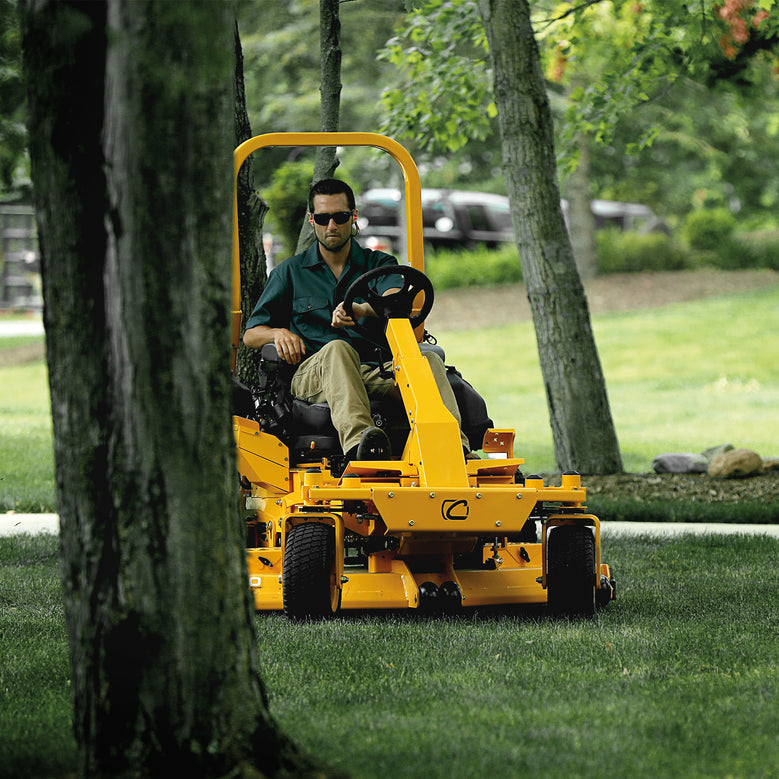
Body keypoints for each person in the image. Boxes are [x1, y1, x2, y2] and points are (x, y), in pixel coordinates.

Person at [243, 178, 471, 463]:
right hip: (316, 375)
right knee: (338, 348)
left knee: (429, 361)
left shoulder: (379, 265)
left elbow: (395, 299)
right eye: (324, 218)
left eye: (339, 217)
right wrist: (276, 333)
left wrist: (363, 309)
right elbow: (250, 335)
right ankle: (362, 448)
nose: (331, 226)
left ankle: (455, 451)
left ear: (353, 217)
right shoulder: (290, 273)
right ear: (312, 220)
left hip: (376, 369)